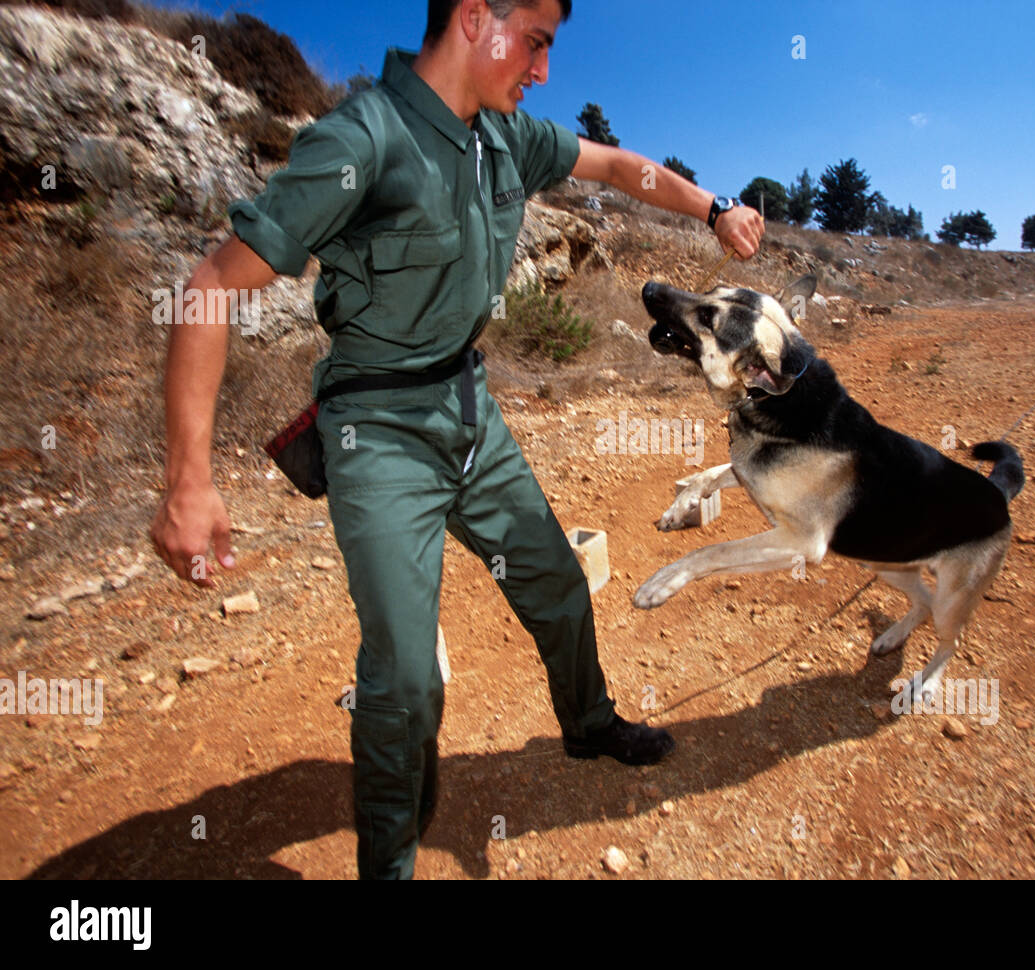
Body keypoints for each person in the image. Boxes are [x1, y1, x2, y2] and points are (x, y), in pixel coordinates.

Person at [150, 0, 765, 879]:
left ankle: (588, 726)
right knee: (404, 681)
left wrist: (715, 210)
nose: (545, 70)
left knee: (556, 583)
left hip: (469, 409)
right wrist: (187, 478)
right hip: (378, 432)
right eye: (540, 42)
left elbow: (624, 167)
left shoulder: (507, 138)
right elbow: (211, 284)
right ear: (478, 17)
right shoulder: (363, 139)